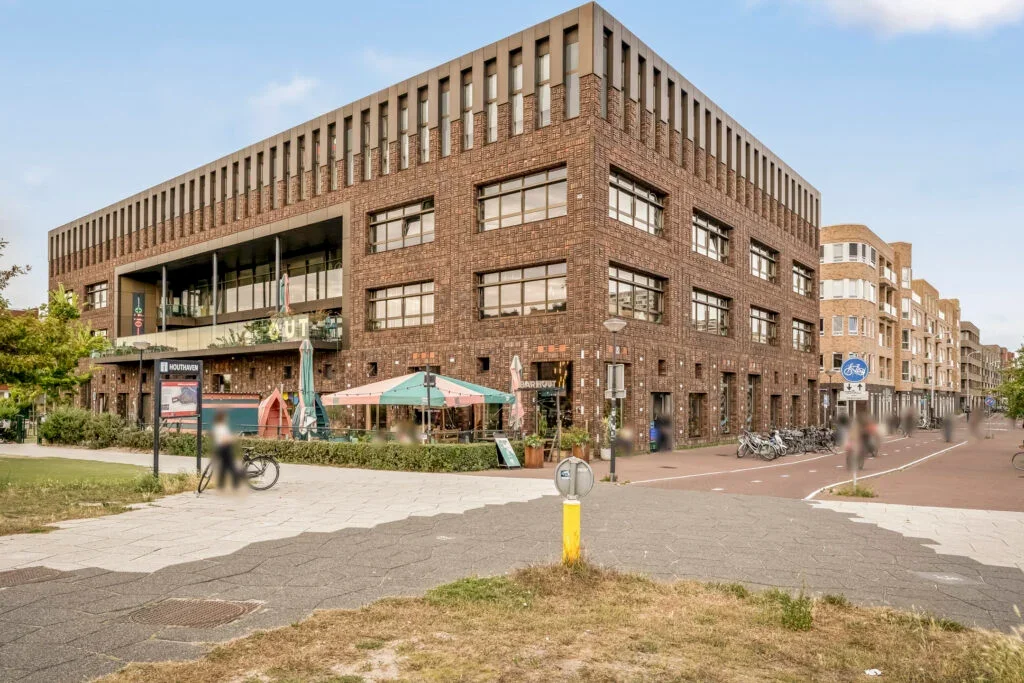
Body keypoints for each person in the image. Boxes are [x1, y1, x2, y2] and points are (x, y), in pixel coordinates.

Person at [212, 410, 240, 489]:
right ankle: (235, 484)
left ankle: (221, 484)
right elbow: (224, 440)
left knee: (223, 466)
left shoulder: (217, 426)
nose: (227, 418)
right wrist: (233, 438)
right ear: (222, 418)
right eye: (226, 417)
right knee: (231, 466)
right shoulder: (222, 428)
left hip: (220, 449)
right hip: (225, 448)